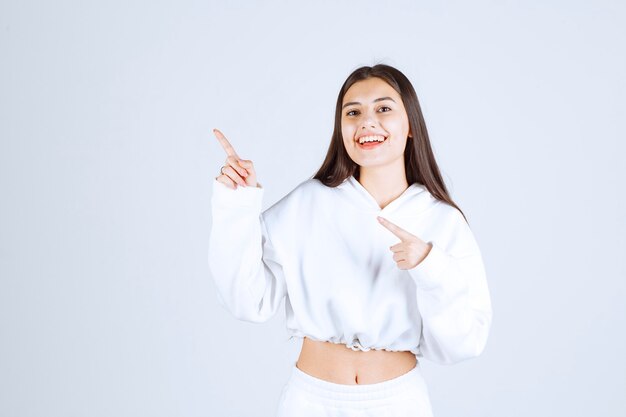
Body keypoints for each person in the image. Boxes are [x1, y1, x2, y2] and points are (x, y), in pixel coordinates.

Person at [208, 64, 493, 416]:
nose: (366, 122)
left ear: (411, 128)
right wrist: (237, 206)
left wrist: (430, 267)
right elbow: (247, 302)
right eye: (353, 112)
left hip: (397, 403)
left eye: (384, 109)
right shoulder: (307, 204)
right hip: (311, 401)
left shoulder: (442, 221)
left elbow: (462, 344)